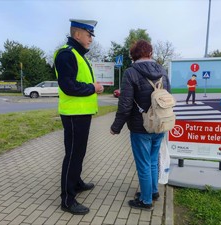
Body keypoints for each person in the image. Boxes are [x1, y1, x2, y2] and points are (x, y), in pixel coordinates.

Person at [110, 40, 171, 211]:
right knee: (152, 160)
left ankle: (145, 201)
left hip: (140, 126)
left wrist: (116, 127)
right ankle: (152, 192)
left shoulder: (131, 73)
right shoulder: (163, 72)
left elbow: (125, 104)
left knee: (143, 163)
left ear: (133, 56)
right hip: (160, 123)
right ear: (150, 53)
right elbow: (168, 97)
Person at [54, 19, 104, 215]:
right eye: (89, 34)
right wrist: (93, 87)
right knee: (73, 155)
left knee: (79, 153)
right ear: (77, 35)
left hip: (81, 113)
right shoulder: (67, 54)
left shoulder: (78, 55)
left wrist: (93, 88)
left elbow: (77, 83)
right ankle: (67, 199)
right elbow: (68, 85)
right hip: (74, 114)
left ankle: (76, 182)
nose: (91, 39)